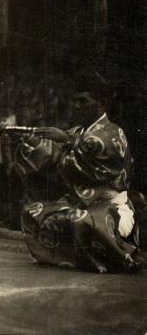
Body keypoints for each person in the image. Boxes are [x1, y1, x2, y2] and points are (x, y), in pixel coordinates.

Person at [16, 72, 143, 273]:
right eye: (75, 101)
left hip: (110, 208)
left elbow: (86, 154)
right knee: (32, 212)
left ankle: (111, 258)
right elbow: (57, 160)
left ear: (100, 103)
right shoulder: (77, 132)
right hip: (80, 203)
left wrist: (63, 141)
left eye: (83, 101)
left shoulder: (112, 133)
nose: (77, 106)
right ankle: (71, 257)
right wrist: (33, 142)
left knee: (80, 221)